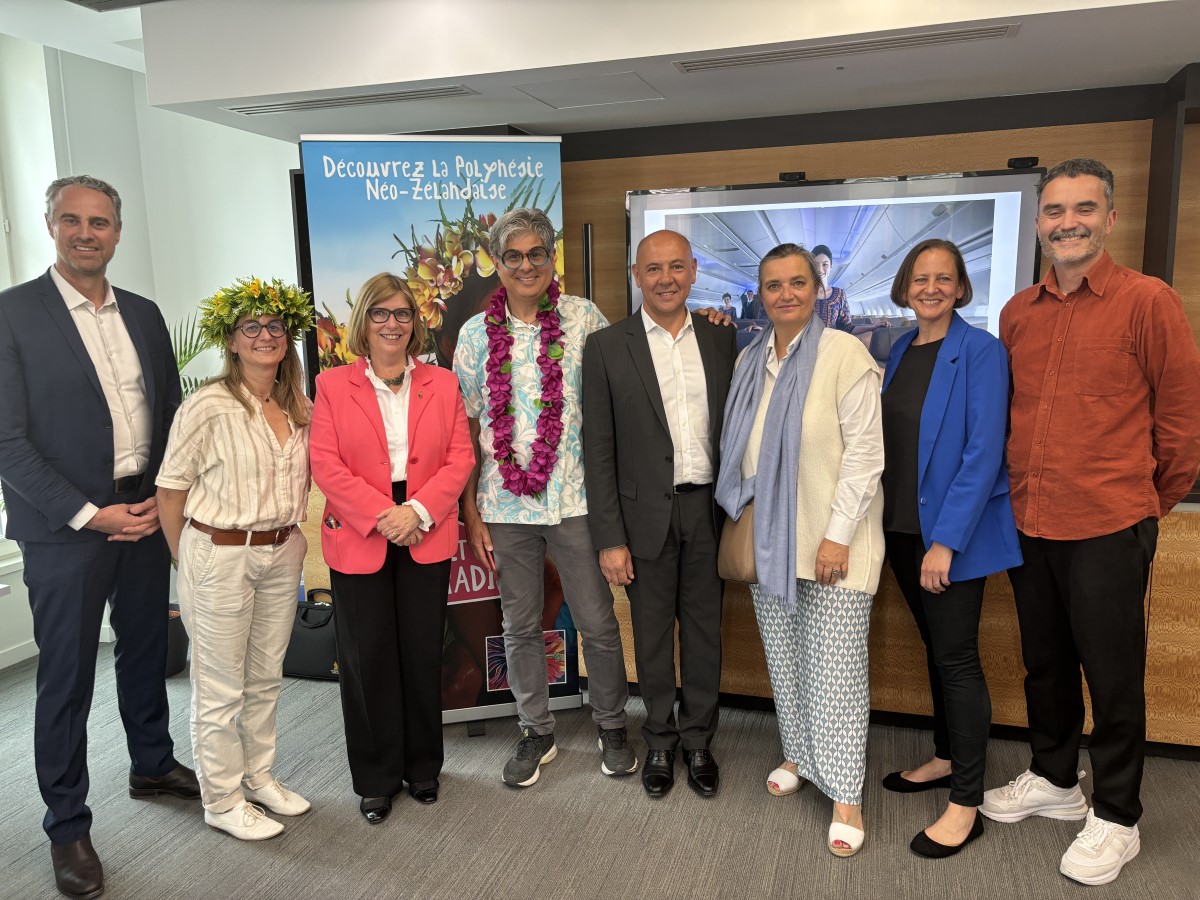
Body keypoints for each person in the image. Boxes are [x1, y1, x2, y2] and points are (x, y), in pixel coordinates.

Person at [981, 158, 1200, 886]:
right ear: (1039, 222)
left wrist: (1143, 502)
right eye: (1053, 210)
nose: (1066, 222)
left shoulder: (1148, 302)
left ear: (1109, 219)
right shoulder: (1018, 312)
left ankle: (1117, 815)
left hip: (1109, 522)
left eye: (1083, 208)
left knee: (1112, 677)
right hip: (1030, 521)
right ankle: (1054, 777)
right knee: (1044, 663)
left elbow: (1180, 424)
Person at [0, 175, 197, 899]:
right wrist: (90, 514)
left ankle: (151, 762)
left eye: (101, 222)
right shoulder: (11, 315)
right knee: (66, 679)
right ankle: (67, 824)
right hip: (66, 532)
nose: (87, 232)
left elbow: (172, 412)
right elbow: (7, 442)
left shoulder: (143, 314)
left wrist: (156, 501)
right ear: (50, 225)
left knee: (147, 652)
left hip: (142, 515)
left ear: (118, 231)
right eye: (72, 220)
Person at [454, 208, 635, 788]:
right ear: (497, 264)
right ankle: (535, 729)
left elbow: (619, 392)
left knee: (598, 622)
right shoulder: (475, 335)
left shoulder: (583, 318)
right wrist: (470, 512)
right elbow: (463, 431)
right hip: (504, 506)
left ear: (551, 257)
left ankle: (611, 723)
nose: (526, 265)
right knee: (519, 625)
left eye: (537, 254)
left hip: (576, 500)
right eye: (514, 256)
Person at [715, 243, 883, 857]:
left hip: (833, 540)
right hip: (771, 539)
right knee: (786, 661)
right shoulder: (750, 360)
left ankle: (845, 793)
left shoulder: (845, 354)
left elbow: (865, 457)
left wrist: (837, 534)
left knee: (835, 671)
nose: (785, 294)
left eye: (797, 283)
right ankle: (800, 755)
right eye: (773, 284)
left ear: (817, 289)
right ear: (759, 293)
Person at [310, 273, 474, 822]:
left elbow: (460, 459)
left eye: (403, 313)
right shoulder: (332, 385)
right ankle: (376, 776)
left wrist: (419, 512)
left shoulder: (443, 383)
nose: (392, 323)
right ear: (364, 322)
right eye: (380, 313)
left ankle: (424, 766)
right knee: (367, 657)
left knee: (423, 650)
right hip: (364, 529)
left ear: (415, 322)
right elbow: (325, 465)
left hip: (424, 524)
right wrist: (385, 516)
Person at [156, 277, 315, 842]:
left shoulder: (299, 406)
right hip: (218, 553)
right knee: (220, 685)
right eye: (252, 327)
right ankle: (220, 798)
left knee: (265, 676)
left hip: (282, 551)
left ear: (287, 337)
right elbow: (170, 493)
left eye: (275, 326)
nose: (265, 336)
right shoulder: (207, 406)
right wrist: (189, 564)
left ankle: (258, 776)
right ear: (231, 339)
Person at [879, 239, 1022, 858]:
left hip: (949, 539)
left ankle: (967, 801)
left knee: (958, 660)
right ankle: (944, 756)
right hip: (901, 530)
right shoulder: (901, 348)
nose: (930, 287)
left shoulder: (983, 352)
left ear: (961, 288)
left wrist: (945, 543)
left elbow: (983, 453)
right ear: (905, 287)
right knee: (937, 651)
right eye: (920, 277)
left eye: (943, 278)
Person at [583, 230, 736, 798]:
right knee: (650, 638)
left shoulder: (723, 339)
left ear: (694, 270)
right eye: (653, 269)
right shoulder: (604, 347)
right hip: (641, 519)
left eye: (676, 267)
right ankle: (661, 743)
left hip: (708, 512)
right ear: (634, 273)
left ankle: (699, 740)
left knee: (704, 634)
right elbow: (597, 451)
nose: (665, 278)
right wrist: (609, 539)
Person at [812, 244, 886, 338]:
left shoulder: (839, 294)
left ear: (831, 266)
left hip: (832, 349)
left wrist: (872, 327)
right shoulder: (802, 293)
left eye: (825, 264)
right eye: (816, 264)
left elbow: (847, 328)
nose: (820, 269)